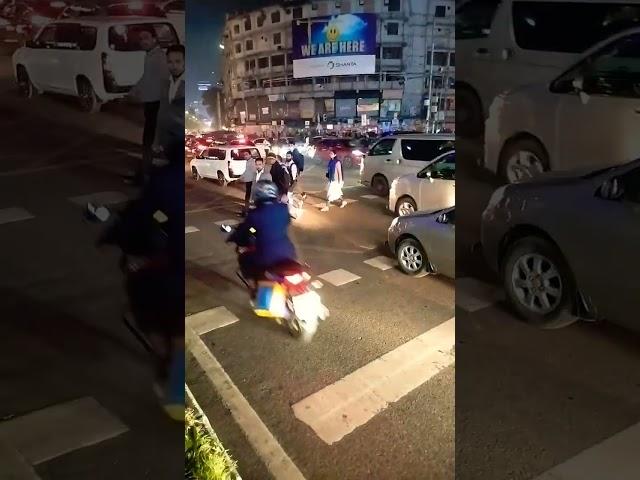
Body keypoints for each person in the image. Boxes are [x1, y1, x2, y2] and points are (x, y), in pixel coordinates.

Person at [227, 180, 297, 295]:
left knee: (244, 258)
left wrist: (235, 237)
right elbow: (285, 222)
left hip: (266, 256)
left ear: (257, 195)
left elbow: (245, 232)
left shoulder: (254, 214)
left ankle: (254, 285)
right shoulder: (283, 209)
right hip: (289, 253)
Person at [127, 26, 170, 185]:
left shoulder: (159, 57)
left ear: (154, 38)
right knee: (149, 142)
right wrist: (134, 91)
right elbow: (146, 78)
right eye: (141, 39)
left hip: (156, 104)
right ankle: (145, 175)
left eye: (146, 38)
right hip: (150, 103)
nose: (143, 41)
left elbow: (164, 82)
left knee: (149, 142)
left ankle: (144, 177)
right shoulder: (150, 56)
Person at [153, 44, 185, 166]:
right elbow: (161, 113)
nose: (174, 65)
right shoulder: (165, 83)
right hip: (167, 141)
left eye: (178, 61)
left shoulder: (185, 85)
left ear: (184, 62)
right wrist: (157, 140)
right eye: (170, 62)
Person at [238, 150, 256, 216]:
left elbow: (254, 172)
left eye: (246, 154)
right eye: (244, 155)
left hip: (251, 182)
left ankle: (246, 212)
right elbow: (246, 171)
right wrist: (241, 178)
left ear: (250, 155)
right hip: (248, 181)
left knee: (248, 197)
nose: (245, 156)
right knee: (248, 197)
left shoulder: (252, 162)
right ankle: (246, 211)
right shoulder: (248, 162)